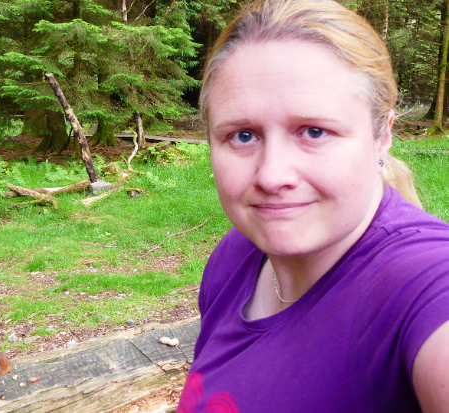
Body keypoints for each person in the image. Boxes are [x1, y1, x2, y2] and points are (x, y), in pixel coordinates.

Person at [177, 0, 449, 412]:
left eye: (314, 131)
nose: (271, 176)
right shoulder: (234, 258)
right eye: (243, 136)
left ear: (382, 135)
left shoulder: (426, 284)